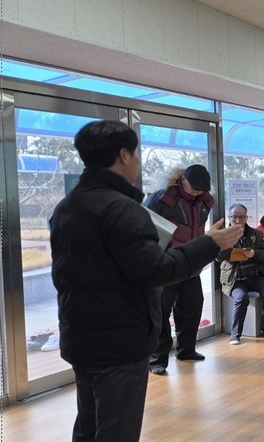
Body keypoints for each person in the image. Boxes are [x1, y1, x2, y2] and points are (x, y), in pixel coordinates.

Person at [49, 120, 243, 441]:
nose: (137, 161)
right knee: (116, 430)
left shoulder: (66, 207)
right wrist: (210, 243)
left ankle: (185, 348)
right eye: (136, 154)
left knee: (88, 426)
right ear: (123, 155)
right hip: (119, 341)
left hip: (80, 335)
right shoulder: (123, 209)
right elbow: (156, 270)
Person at [145, 163, 215, 375]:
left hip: (191, 265)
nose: (197, 192)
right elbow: (143, 225)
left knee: (192, 308)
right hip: (166, 265)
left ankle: (186, 350)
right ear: (182, 179)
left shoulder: (205, 202)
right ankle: (157, 359)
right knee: (160, 312)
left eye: (201, 190)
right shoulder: (161, 198)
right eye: (194, 188)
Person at [218, 204, 264, 344]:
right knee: (241, 298)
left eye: (241, 217)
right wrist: (230, 243)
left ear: (246, 218)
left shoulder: (256, 234)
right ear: (229, 218)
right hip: (235, 279)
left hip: (255, 276)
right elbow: (218, 257)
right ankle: (235, 334)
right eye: (234, 217)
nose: (237, 220)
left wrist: (254, 253)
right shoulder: (223, 235)